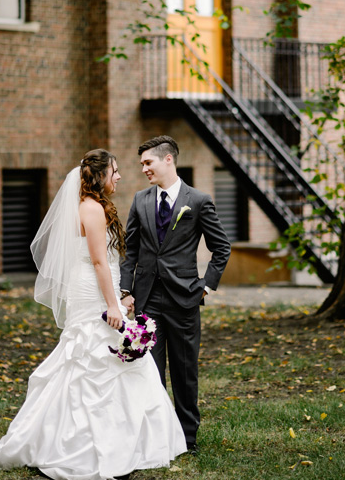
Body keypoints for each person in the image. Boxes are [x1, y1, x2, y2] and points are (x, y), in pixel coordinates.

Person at [0, 150, 188, 479]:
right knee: (91, 356)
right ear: (99, 175)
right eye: (115, 171)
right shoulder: (91, 208)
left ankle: (127, 438)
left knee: (102, 358)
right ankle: (77, 443)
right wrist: (112, 304)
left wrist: (119, 297)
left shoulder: (91, 205)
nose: (120, 176)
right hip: (93, 291)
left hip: (101, 287)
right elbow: (98, 262)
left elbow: (104, 263)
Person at [118, 135, 231, 453]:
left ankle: (187, 438)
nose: (143, 169)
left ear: (168, 159)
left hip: (185, 298)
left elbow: (221, 247)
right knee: (148, 369)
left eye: (148, 162)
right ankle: (152, 434)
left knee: (184, 369)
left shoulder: (198, 200)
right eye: (141, 164)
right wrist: (126, 290)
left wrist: (205, 286)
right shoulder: (140, 200)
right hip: (147, 298)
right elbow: (131, 250)